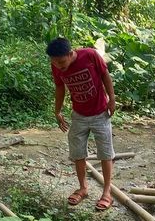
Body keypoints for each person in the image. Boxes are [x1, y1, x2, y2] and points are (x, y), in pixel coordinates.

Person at [46, 36, 115, 211]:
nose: (59, 66)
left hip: (100, 113)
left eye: (61, 61)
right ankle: (83, 188)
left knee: (105, 153)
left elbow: (105, 75)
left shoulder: (90, 56)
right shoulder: (56, 66)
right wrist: (58, 111)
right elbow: (60, 87)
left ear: (70, 54)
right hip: (79, 116)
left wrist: (112, 98)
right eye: (54, 62)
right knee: (78, 153)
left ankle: (107, 192)